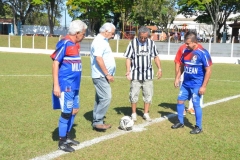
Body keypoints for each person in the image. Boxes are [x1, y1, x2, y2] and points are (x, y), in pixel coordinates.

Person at [51, 20, 87, 152]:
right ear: (77, 33)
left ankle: (67, 137)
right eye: (83, 33)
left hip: (75, 85)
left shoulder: (75, 45)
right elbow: (55, 63)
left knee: (74, 110)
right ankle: (62, 142)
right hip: (66, 86)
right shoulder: (65, 43)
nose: (84, 36)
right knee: (66, 113)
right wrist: (56, 85)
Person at [171, 31, 212, 134]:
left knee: (195, 104)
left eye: (188, 43)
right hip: (186, 84)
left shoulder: (203, 53)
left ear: (195, 42)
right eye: (186, 43)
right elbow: (182, 66)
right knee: (180, 101)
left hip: (197, 84)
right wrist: (177, 78)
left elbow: (208, 70)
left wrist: (203, 86)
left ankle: (198, 126)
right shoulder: (185, 51)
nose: (186, 45)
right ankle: (180, 122)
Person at [123, 26, 162, 122]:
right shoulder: (132, 43)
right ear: (138, 35)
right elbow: (128, 58)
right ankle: (133, 113)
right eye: (141, 37)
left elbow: (155, 56)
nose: (143, 39)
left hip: (148, 74)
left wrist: (159, 68)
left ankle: (146, 113)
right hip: (135, 74)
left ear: (148, 36)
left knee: (148, 94)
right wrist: (128, 71)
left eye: (145, 37)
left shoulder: (151, 43)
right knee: (133, 94)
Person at [90, 22, 116, 131]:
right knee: (106, 97)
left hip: (101, 75)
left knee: (100, 98)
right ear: (106, 31)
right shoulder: (99, 41)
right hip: (101, 75)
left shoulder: (103, 41)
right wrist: (107, 74)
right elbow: (98, 58)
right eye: (112, 33)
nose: (113, 35)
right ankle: (98, 121)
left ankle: (97, 120)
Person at [174, 43, 204, 115]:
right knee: (183, 91)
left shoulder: (200, 48)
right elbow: (177, 62)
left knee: (195, 92)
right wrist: (177, 77)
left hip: (195, 75)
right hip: (185, 72)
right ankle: (183, 109)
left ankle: (191, 107)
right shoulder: (182, 48)